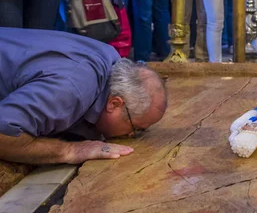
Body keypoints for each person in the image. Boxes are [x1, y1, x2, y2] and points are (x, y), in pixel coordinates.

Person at [0, 28, 167, 165]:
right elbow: (3, 134)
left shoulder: (110, 58)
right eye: (135, 128)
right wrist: (69, 151)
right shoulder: (70, 88)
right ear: (115, 104)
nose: (132, 135)